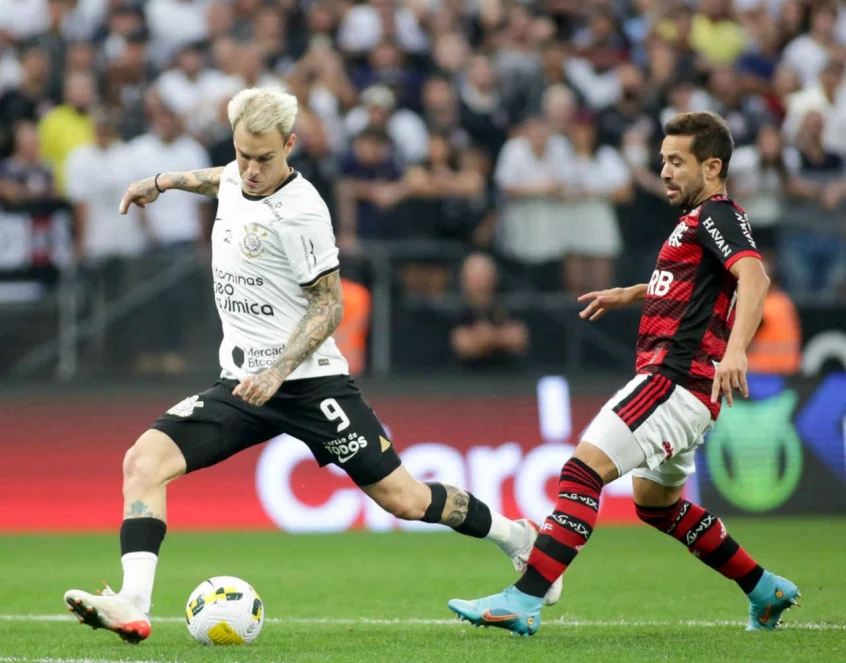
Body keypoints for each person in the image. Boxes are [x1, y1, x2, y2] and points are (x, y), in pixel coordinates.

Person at [62, 86, 561, 644]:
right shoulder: (238, 175)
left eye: (264, 158)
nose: (251, 171)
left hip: (309, 384)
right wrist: (160, 182)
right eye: (243, 155)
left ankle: (518, 537)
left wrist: (277, 371)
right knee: (143, 462)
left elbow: (330, 306)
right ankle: (133, 602)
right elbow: (218, 179)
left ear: (290, 145)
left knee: (405, 499)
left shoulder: (302, 212)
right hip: (242, 385)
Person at [448, 111, 800, 636]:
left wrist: (737, 351)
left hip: (672, 380)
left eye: (677, 161)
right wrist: (636, 292)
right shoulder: (698, 222)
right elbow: (699, 284)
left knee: (580, 473)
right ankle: (764, 588)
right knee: (656, 506)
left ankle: (524, 598)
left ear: (712, 167)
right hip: (691, 391)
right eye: (663, 161)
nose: (665, 171)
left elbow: (755, 277)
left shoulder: (717, 215)